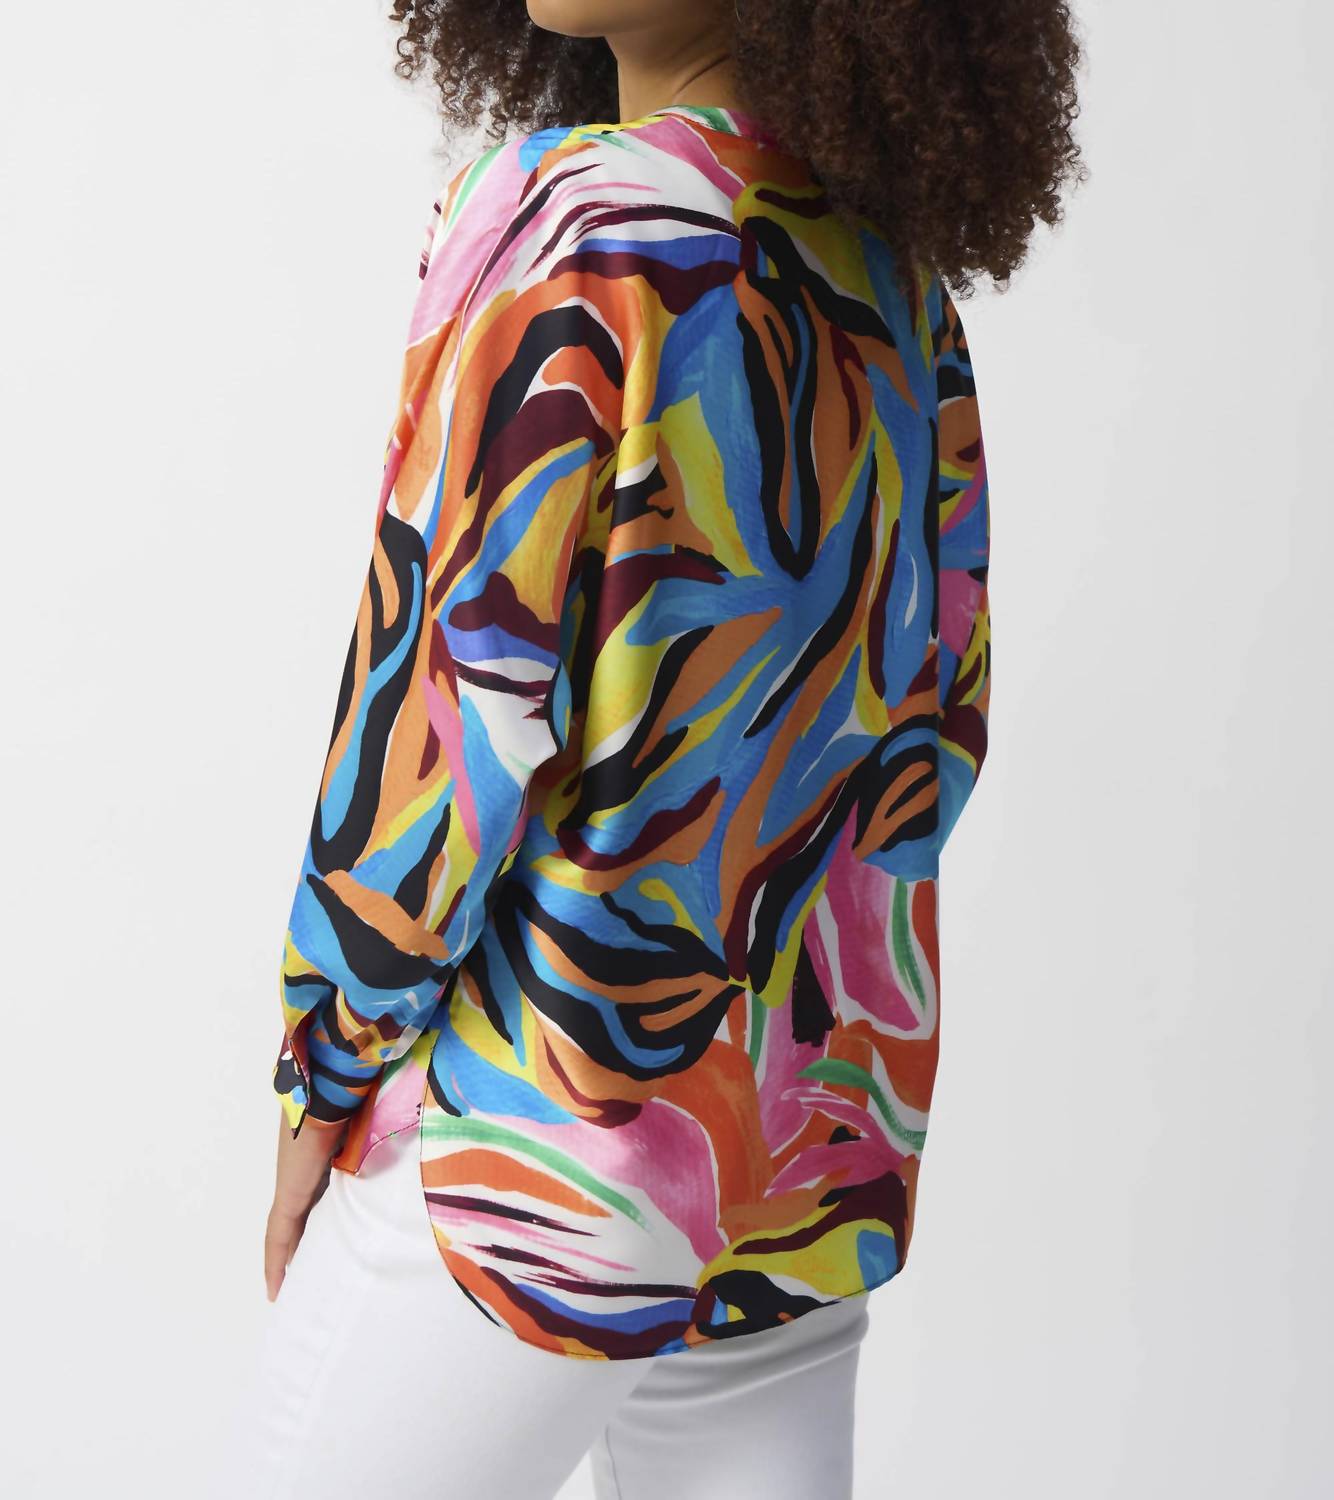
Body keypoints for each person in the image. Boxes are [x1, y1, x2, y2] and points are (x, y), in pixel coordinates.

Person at [214, 2, 1084, 1496]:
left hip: (537, 1152)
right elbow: (939, 724)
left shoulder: (572, 222)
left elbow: (446, 709)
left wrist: (324, 1061)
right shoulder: (890, 279)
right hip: (795, 1163)